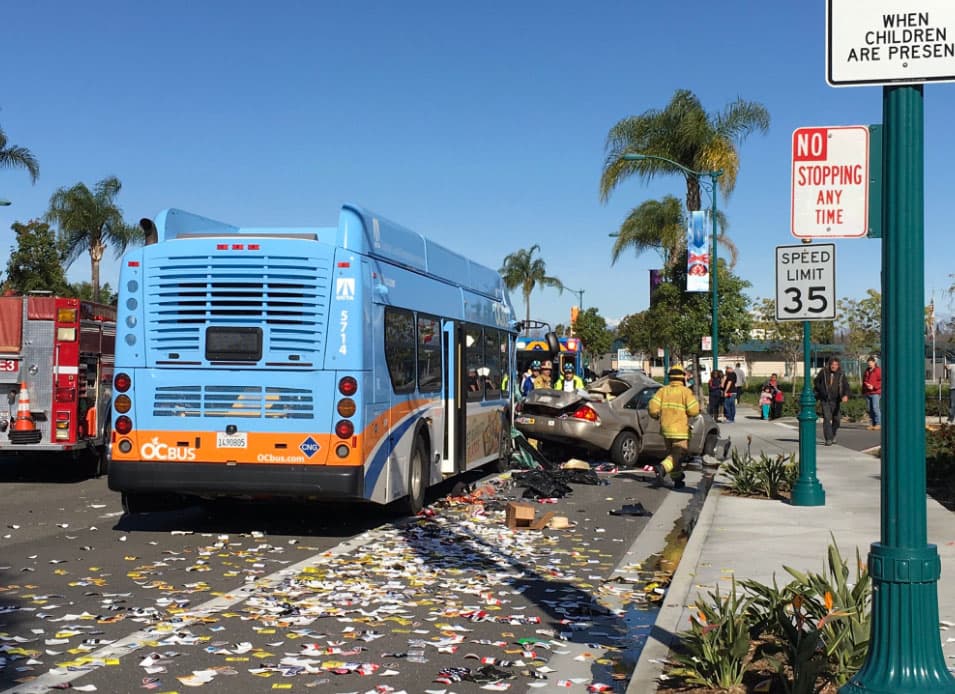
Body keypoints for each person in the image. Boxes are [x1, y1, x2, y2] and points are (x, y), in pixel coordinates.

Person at [646, 365, 700, 489]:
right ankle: (663, 467)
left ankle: (677, 480)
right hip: (680, 430)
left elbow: (652, 409)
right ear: (682, 377)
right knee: (679, 454)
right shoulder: (685, 392)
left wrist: (657, 415)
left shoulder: (662, 391)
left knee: (673, 455)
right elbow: (694, 411)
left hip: (666, 430)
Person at [814, 357, 851, 446]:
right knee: (827, 419)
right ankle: (828, 439)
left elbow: (846, 386)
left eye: (836, 365)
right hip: (825, 399)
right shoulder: (823, 372)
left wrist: (846, 395)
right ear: (829, 365)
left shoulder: (841, 374)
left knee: (837, 419)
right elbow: (816, 382)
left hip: (836, 400)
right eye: (832, 364)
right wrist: (821, 390)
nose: (833, 366)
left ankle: (833, 434)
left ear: (838, 366)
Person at [862, 356, 882, 430]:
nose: (869, 364)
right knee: (870, 409)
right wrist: (863, 391)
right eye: (868, 363)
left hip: (875, 392)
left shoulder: (878, 370)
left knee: (875, 408)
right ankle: (873, 424)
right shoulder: (867, 371)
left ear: (874, 362)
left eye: (871, 363)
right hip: (868, 393)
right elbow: (864, 381)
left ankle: (878, 423)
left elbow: (881, 381)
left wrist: (874, 387)